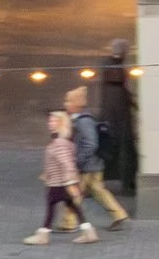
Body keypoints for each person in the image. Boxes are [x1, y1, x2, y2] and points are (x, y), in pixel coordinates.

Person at [55, 87, 129, 232]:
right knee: (98, 190)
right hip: (94, 164)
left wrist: (79, 161)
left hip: (87, 165)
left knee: (74, 193)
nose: (65, 104)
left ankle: (68, 223)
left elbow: (90, 143)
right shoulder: (84, 119)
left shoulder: (83, 122)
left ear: (75, 104)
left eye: (68, 101)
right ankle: (119, 215)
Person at [26, 111, 98, 245]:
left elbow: (66, 163)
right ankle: (88, 232)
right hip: (61, 182)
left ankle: (43, 234)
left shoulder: (59, 143)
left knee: (51, 206)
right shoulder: (63, 142)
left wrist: (70, 182)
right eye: (50, 121)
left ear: (61, 123)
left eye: (53, 121)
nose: (50, 123)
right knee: (73, 206)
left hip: (59, 183)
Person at [98, 38, 137, 195]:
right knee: (124, 151)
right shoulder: (114, 71)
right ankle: (125, 183)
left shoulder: (111, 69)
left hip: (115, 118)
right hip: (118, 120)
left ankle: (123, 182)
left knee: (118, 150)